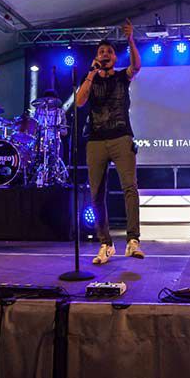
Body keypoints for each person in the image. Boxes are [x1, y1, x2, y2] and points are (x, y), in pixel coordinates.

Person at [76, 19, 143, 265]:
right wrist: (91, 73)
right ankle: (106, 244)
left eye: (109, 52)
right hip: (96, 141)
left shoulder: (122, 77)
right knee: (96, 193)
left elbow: (136, 66)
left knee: (130, 187)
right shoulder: (90, 78)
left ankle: (133, 240)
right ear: (96, 57)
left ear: (115, 57)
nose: (105, 54)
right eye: (101, 51)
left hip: (121, 137)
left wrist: (130, 40)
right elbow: (79, 102)